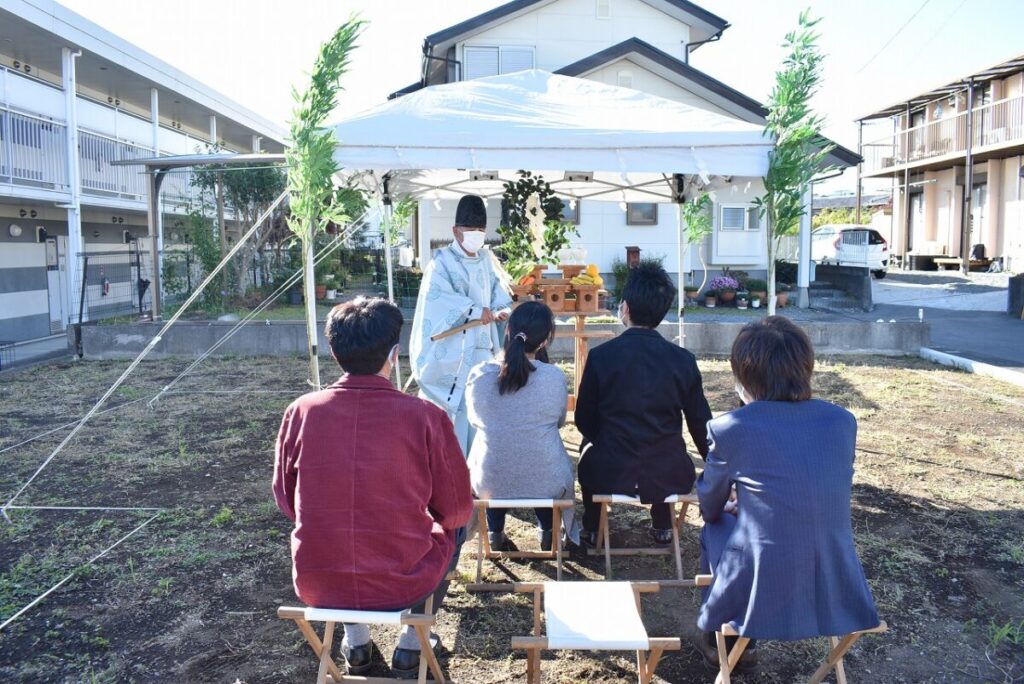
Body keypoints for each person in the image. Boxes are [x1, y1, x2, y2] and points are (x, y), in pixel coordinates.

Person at [273, 297, 473, 678]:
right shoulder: (426, 416)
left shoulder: (300, 411)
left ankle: (357, 643)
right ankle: (412, 645)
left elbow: (287, 500)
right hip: (403, 579)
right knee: (460, 523)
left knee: (341, 531)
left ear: (333, 352)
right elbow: (456, 509)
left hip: (320, 579)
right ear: (395, 355)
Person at [693, 316, 880, 671]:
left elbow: (709, 504)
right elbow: (806, 484)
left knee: (714, 527)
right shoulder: (842, 421)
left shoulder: (731, 427)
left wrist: (739, 504)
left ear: (743, 377)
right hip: (832, 579)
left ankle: (727, 640)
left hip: (763, 581)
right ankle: (735, 641)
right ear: (805, 368)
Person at [575, 261, 712, 546]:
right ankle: (663, 523)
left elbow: (584, 419)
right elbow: (701, 423)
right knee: (661, 447)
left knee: (587, 447)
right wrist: (714, 463)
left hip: (608, 470)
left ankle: (592, 524)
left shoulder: (601, 357)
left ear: (624, 308)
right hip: (670, 472)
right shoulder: (682, 360)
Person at [465, 301, 579, 551]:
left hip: (489, 480)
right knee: (538, 454)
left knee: (496, 450)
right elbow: (560, 422)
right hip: (547, 480)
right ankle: (547, 530)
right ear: (544, 342)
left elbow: (474, 420)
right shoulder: (554, 377)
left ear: (508, 330)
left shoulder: (479, 374)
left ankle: (494, 533)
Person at [410, 195, 514, 455]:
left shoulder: (485, 260)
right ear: (455, 231)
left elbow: (498, 292)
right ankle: (450, 473)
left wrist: (501, 310)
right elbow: (439, 300)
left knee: (480, 409)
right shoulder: (440, 262)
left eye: (480, 231)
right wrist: (477, 310)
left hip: (481, 347)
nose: (476, 236)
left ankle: (477, 473)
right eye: (470, 231)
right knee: (453, 413)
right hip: (453, 351)